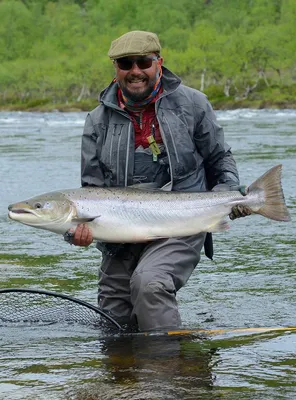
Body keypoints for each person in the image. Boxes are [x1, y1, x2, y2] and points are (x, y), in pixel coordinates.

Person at [66, 30, 251, 332]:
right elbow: (91, 191)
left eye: (144, 62)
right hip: (120, 235)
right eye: (126, 63)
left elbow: (220, 159)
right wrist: (75, 233)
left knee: (150, 284)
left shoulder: (193, 104)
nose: (135, 71)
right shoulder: (97, 121)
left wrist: (229, 194)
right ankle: (125, 377)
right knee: (115, 317)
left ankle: (166, 373)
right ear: (116, 68)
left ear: (159, 63)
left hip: (181, 222)